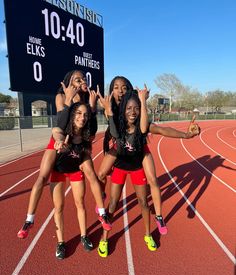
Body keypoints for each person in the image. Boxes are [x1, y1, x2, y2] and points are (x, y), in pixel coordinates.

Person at [97, 76, 200, 237]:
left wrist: (186, 135)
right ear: (112, 91)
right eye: (116, 87)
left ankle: (158, 216)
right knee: (102, 174)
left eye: (124, 87)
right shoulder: (111, 108)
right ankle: (101, 200)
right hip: (120, 148)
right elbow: (113, 131)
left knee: (151, 181)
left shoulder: (136, 109)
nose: (120, 90)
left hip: (138, 148)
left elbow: (157, 129)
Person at [17, 70, 110, 239]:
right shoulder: (61, 96)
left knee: (91, 173)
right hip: (60, 140)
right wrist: (68, 99)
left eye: (83, 78)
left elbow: (91, 130)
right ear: (69, 82)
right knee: (42, 176)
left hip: (78, 144)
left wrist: (93, 107)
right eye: (78, 79)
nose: (82, 80)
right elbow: (60, 125)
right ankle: (29, 219)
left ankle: (102, 213)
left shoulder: (86, 100)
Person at [97, 88, 158, 257]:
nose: (133, 112)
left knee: (143, 203)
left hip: (137, 168)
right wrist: (108, 110)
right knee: (112, 204)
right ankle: (104, 238)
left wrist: (142, 101)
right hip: (120, 169)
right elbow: (113, 130)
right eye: (129, 108)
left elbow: (152, 127)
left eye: (136, 108)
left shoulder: (141, 127)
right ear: (123, 110)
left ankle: (148, 235)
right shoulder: (118, 125)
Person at [51, 101, 96, 259]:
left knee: (80, 203)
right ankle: (61, 242)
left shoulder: (85, 136)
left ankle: (84, 236)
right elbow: (55, 131)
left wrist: (85, 160)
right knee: (59, 207)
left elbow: (86, 152)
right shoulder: (63, 131)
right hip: (58, 172)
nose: (82, 117)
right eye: (78, 113)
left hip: (75, 171)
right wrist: (59, 143)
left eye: (85, 115)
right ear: (72, 115)